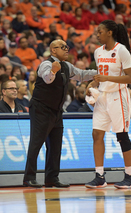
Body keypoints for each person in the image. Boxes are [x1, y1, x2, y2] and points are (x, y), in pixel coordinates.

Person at [23, 39, 97, 188]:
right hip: (41, 109)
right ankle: (29, 178)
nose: (66, 49)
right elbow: (47, 79)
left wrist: (102, 73)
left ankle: (51, 178)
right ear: (53, 50)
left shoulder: (67, 66)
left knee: (56, 146)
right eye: (63, 47)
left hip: (56, 111)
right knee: (36, 144)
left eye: (67, 47)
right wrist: (53, 71)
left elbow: (81, 75)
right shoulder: (46, 64)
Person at [84, 20, 131, 189]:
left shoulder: (122, 50)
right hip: (102, 97)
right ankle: (100, 176)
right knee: (96, 134)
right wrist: (92, 85)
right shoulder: (98, 52)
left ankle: (129, 176)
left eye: (100, 32)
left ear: (110, 33)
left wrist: (106, 79)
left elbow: (130, 78)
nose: (97, 35)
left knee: (122, 136)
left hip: (118, 96)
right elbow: (101, 75)